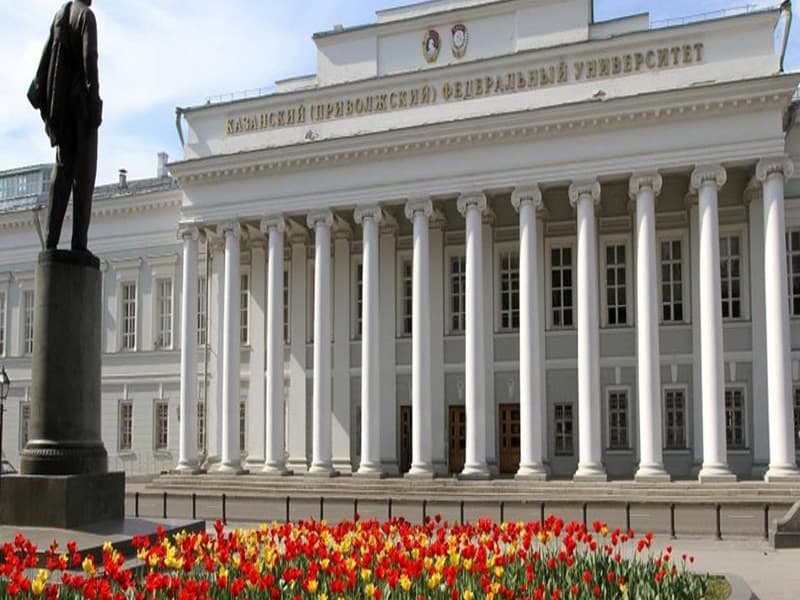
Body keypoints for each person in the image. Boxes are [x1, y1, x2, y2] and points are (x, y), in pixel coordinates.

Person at [27, 0, 102, 252]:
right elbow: (90, 57)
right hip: (80, 110)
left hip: (61, 114)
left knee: (61, 175)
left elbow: (44, 62)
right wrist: (94, 102)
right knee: (84, 176)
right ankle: (79, 245)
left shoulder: (60, 16)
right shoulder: (86, 17)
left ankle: (50, 243)